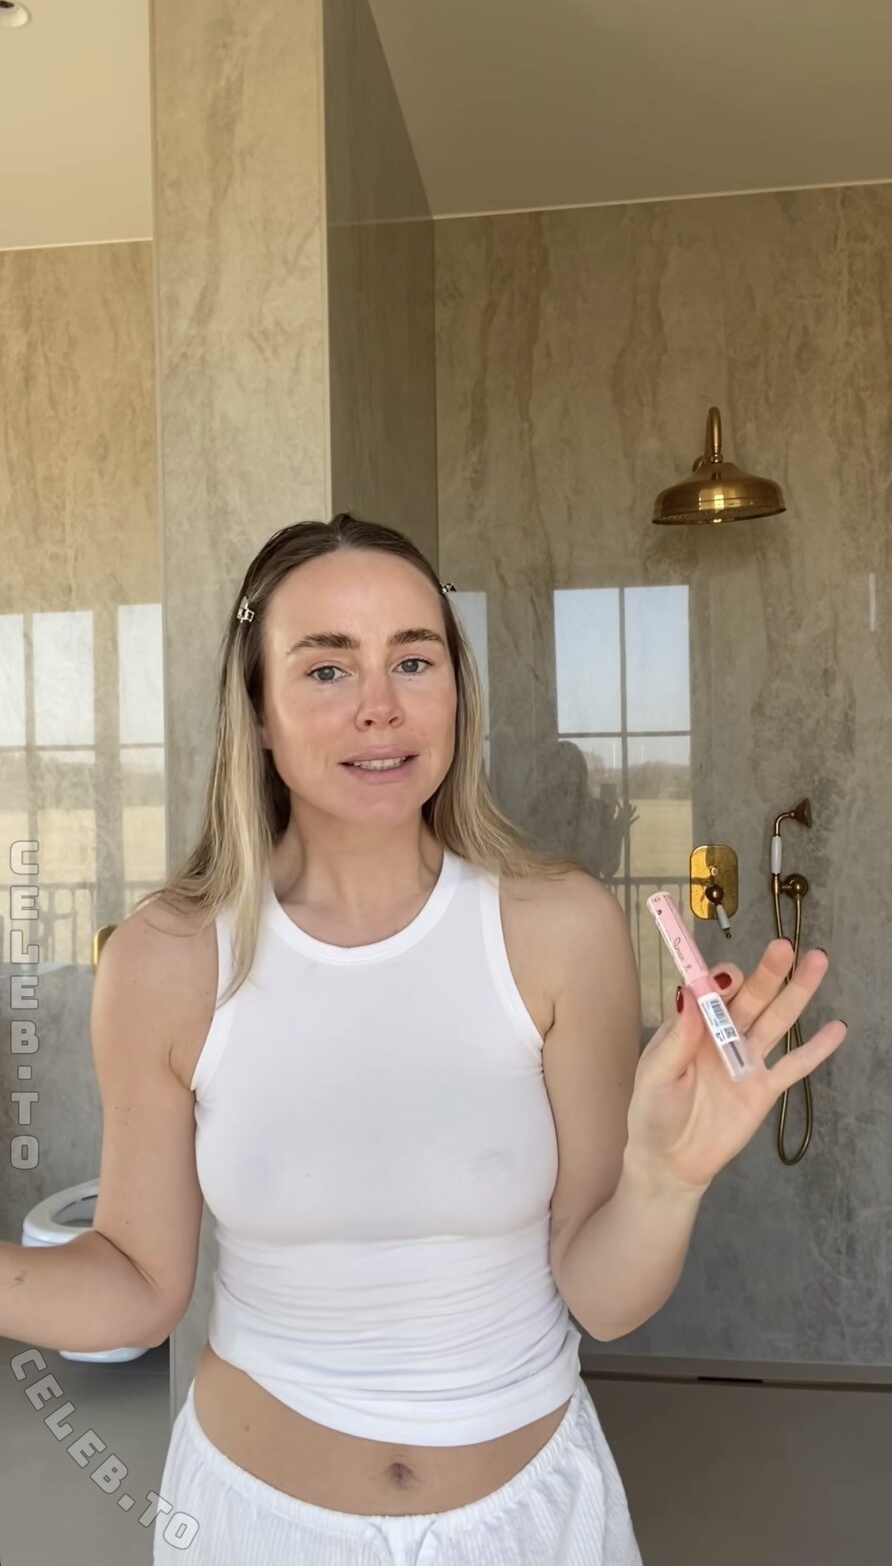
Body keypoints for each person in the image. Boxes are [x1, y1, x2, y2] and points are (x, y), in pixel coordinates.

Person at [0, 513, 847, 1566]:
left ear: (455, 691)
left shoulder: (558, 927)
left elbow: (602, 1297)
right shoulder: (165, 961)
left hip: (532, 1522)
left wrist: (664, 1180)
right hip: (254, 1526)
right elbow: (136, 1281)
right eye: (326, 668)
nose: (381, 706)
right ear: (256, 709)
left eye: (414, 659)